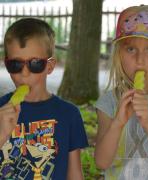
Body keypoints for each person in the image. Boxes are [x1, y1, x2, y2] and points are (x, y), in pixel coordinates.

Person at [94, 5, 148, 180]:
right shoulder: (109, 102)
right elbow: (101, 163)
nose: (140, 59)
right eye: (131, 49)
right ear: (119, 55)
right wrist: (117, 123)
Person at [0, 18, 88, 180]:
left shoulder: (69, 114)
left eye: (35, 64)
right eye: (15, 64)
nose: (24, 73)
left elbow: (75, 173)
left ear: (49, 66)